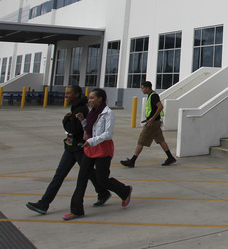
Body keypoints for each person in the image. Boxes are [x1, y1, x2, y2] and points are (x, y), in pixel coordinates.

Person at [26, 85, 110, 214]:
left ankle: (106, 192)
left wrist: (65, 120)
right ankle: (44, 203)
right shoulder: (76, 108)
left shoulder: (82, 109)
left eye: (69, 93)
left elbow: (75, 129)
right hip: (71, 147)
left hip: (80, 148)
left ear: (77, 94)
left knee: (88, 174)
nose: (66, 95)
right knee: (60, 175)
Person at [64, 88, 132, 220]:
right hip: (90, 149)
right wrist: (83, 120)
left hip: (102, 150)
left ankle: (124, 191)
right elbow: (90, 129)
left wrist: (91, 141)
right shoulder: (92, 113)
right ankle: (76, 210)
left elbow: (108, 134)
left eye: (92, 98)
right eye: (89, 98)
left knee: (102, 180)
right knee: (82, 179)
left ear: (100, 99)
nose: (89, 100)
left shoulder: (108, 113)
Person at [120, 81, 176, 167]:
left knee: (141, 141)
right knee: (161, 140)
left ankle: (132, 161)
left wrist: (152, 118)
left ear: (147, 88)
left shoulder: (153, 96)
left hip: (152, 123)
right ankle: (170, 157)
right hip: (155, 122)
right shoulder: (151, 96)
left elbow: (160, 106)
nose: (142, 90)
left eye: (142, 88)